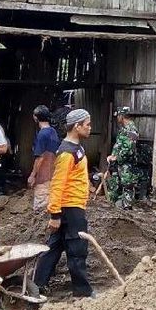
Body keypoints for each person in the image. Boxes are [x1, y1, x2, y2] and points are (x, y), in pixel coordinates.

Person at [32, 109, 93, 298]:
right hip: (70, 208)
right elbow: (58, 184)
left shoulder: (77, 148)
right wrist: (55, 214)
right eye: (87, 124)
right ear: (77, 126)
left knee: (54, 247)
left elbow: (75, 177)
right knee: (77, 249)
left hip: (71, 205)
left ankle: (37, 284)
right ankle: (82, 292)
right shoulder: (67, 153)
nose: (90, 128)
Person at [106, 107, 153, 209]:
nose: (117, 118)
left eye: (118, 116)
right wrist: (113, 156)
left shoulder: (131, 129)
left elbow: (129, 149)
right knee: (117, 184)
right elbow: (120, 145)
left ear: (122, 116)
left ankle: (127, 208)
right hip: (120, 163)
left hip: (126, 164)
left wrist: (117, 157)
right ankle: (117, 205)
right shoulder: (124, 129)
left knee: (127, 185)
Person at [28, 105, 61, 212]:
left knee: (40, 208)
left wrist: (33, 175)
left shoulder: (42, 134)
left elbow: (40, 157)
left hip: (43, 175)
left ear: (36, 117)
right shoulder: (53, 132)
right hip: (53, 173)